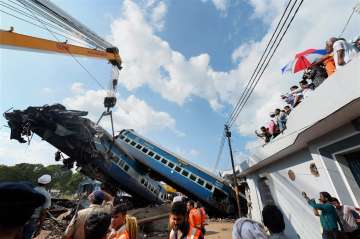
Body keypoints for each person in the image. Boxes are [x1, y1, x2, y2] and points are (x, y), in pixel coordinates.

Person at [23, 174, 52, 239]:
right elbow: (43, 212)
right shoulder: (47, 195)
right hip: (33, 220)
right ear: (47, 184)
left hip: (22, 218)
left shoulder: (30, 190)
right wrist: (40, 227)